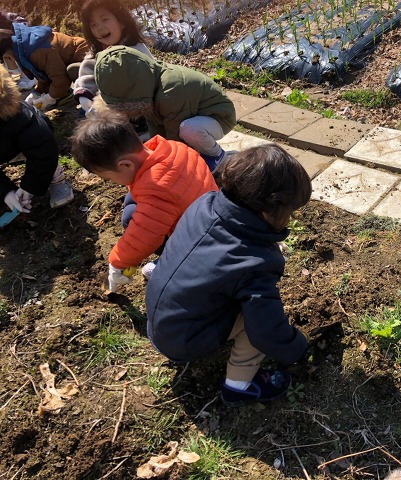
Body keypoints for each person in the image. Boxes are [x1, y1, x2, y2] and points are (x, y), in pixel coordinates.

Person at [145, 144, 311, 406]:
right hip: (183, 341)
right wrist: (297, 347)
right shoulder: (255, 262)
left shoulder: (203, 204)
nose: (290, 218)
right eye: (290, 211)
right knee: (255, 321)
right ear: (269, 210)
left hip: (160, 317)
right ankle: (239, 386)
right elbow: (266, 332)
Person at [70, 109, 217, 291]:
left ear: (125, 165)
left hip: (201, 242)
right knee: (133, 207)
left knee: (137, 220)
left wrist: (117, 262)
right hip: (207, 215)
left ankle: (178, 264)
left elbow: (144, 235)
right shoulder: (172, 148)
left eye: (108, 178)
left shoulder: (157, 189)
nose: (112, 182)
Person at [94, 45, 236, 171]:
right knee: (186, 132)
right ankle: (203, 151)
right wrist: (154, 150)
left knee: (189, 130)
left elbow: (175, 137)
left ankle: (217, 156)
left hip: (218, 117)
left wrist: (171, 162)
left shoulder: (171, 92)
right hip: (198, 116)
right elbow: (155, 126)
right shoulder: (150, 88)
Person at [0, 65, 74, 214]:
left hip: (18, 145)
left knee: (42, 153)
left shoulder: (18, 117)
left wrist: (30, 186)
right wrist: (6, 192)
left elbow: (42, 150)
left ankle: (56, 178)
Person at [74, 0, 153, 126]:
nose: (99, 28)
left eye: (105, 20)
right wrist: (85, 94)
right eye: (93, 25)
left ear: (121, 21)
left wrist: (101, 105)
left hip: (135, 107)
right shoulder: (99, 49)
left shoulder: (135, 50)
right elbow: (88, 71)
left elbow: (140, 89)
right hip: (106, 101)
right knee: (84, 118)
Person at [0, 12, 89, 110]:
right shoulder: (25, 50)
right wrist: (37, 92)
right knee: (54, 84)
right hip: (69, 60)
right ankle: (65, 95)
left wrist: (49, 98)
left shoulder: (37, 52)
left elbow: (59, 77)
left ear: (8, 58)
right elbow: (44, 75)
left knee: (72, 70)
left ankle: (91, 96)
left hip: (84, 55)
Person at [0, 13, 37, 91]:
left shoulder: (9, 18)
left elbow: (24, 32)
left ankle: (29, 77)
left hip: (24, 45)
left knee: (10, 52)